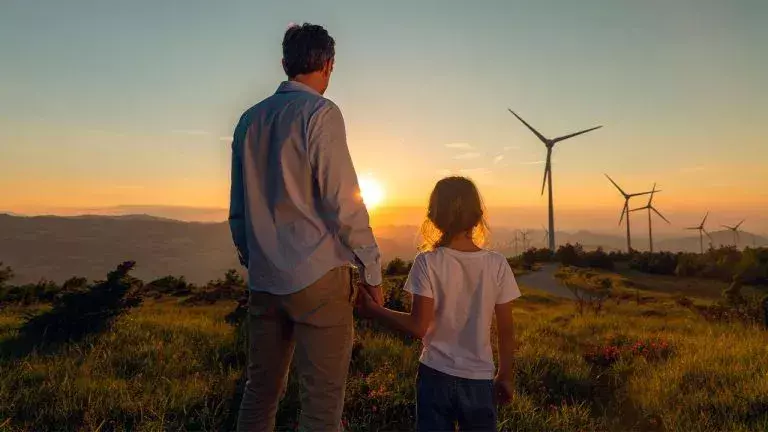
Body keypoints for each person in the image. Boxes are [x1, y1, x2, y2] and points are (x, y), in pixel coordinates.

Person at [228, 23, 383, 432]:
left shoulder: (249, 120)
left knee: (259, 393)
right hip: (318, 278)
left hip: (263, 279)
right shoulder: (321, 113)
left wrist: (253, 256)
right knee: (320, 403)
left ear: (284, 63)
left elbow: (238, 208)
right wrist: (372, 269)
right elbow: (343, 201)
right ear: (329, 65)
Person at [357, 176, 520, 431]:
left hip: (435, 375)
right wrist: (506, 375)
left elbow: (417, 326)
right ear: (478, 217)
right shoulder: (497, 264)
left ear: (433, 217)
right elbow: (506, 329)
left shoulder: (427, 262)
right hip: (479, 380)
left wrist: (374, 310)